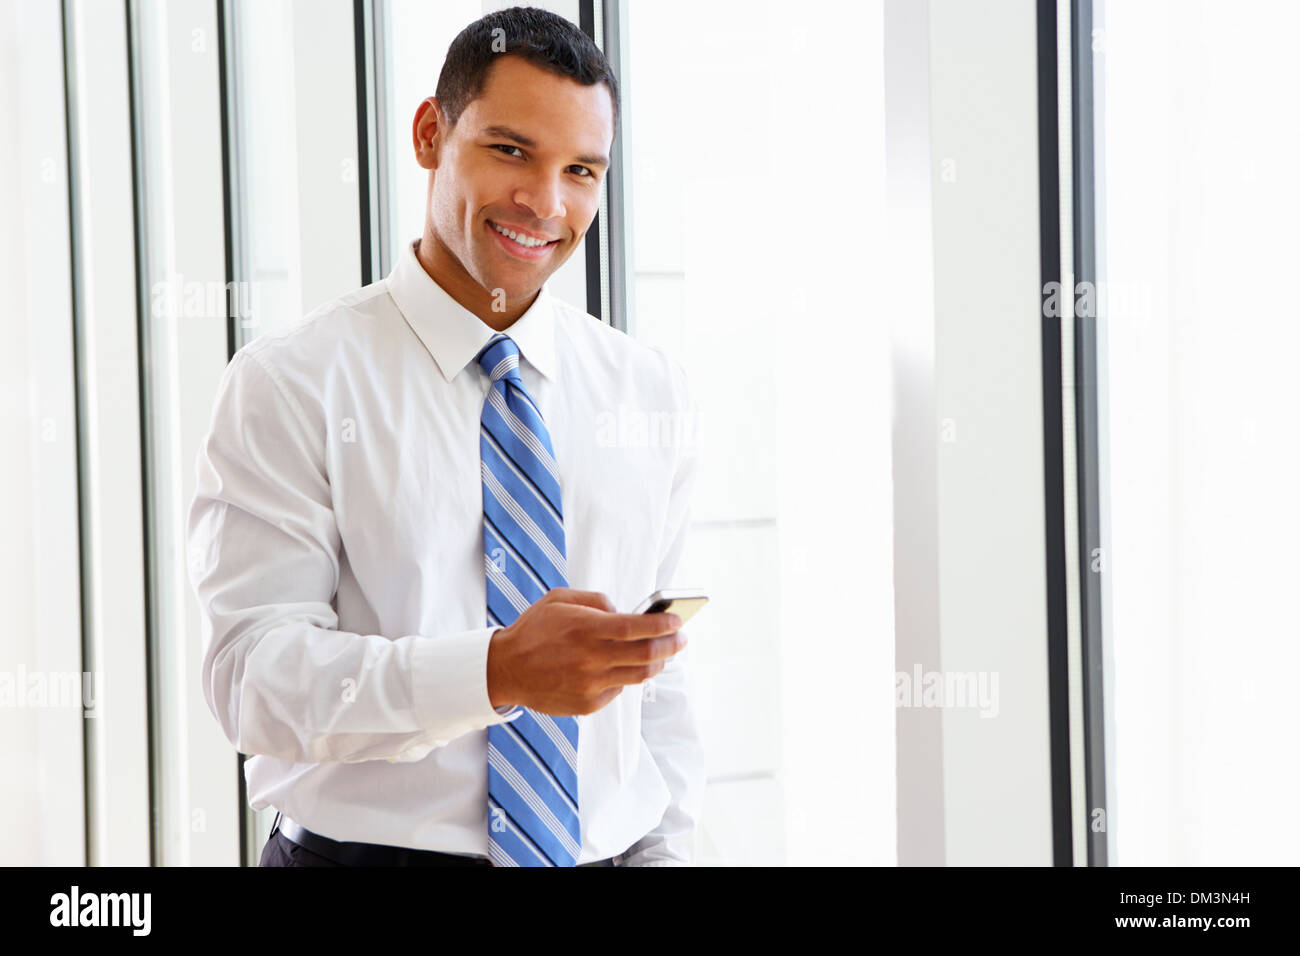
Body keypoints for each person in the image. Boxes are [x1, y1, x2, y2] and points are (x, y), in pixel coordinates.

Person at [186, 6, 704, 867]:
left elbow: (660, 685)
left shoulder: (644, 389)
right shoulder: (293, 382)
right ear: (431, 133)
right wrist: (497, 672)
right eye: (511, 151)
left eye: (581, 170)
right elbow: (254, 681)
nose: (545, 202)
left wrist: (667, 852)